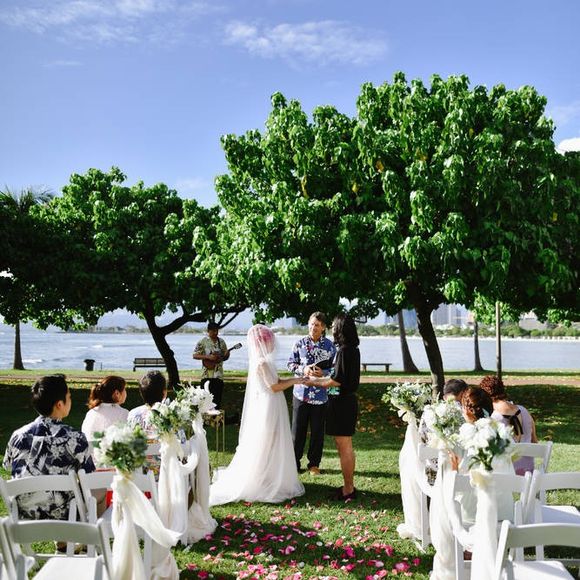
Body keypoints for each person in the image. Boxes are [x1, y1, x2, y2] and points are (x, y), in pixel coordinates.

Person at [209, 324, 305, 505]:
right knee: (265, 441)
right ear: (263, 343)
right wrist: (295, 381)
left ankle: (268, 476)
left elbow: (277, 381)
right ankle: (260, 479)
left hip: (273, 404)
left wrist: (296, 379)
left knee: (272, 441)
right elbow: (274, 386)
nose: (273, 345)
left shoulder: (265, 362)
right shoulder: (261, 363)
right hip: (268, 406)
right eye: (270, 342)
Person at [2, 374, 95, 520]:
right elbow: (89, 476)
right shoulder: (75, 438)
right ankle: (93, 532)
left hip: (24, 518)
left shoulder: (18, 436)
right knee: (98, 492)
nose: (70, 400)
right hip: (65, 519)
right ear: (59, 404)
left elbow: (7, 466)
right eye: (69, 397)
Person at [304, 313, 360, 501]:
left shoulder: (344, 351)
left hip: (342, 403)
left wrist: (313, 382)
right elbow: (339, 377)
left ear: (341, 329)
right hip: (346, 402)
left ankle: (348, 489)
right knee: (345, 446)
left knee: (344, 447)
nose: (333, 329)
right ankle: (348, 485)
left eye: (335, 326)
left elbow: (336, 381)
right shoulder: (352, 349)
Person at [287, 312, 336, 475]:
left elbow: (336, 369)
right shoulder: (299, 343)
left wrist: (324, 372)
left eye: (317, 325)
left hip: (321, 396)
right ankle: (294, 463)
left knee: (317, 433)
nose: (313, 327)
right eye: (312, 324)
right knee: (297, 432)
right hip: (300, 394)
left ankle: (314, 464)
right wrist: (304, 369)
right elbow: (290, 364)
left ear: (323, 328)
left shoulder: (330, 346)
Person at [479, 375, 538, 475]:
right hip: (528, 472)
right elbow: (535, 442)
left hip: (505, 474)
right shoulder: (524, 410)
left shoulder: (492, 418)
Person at [127, 370, 168, 478]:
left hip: (140, 475)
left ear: (141, 393)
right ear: (164, 393)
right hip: (167, 475)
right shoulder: (170, 414)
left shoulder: (133, 415)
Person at [81, 375, 129, 451]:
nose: (126, 392)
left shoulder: (91, 412)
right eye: (124, 389)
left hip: (89, 455)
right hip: (112, 456)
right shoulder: (123, 413)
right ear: (117, 393)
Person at [193, 322, 230, 409]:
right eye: (213, 331)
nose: (215, 333)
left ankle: (216, 417)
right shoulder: (202, 342)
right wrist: (208, 357)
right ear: (208, 331)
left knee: (217, 402)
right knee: (205, 402)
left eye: (217, 331)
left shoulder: (221, 342)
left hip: (218, 376)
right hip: (206, 376)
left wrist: (227, 355)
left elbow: (224, 357)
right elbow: (195, 355)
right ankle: (205, 417)